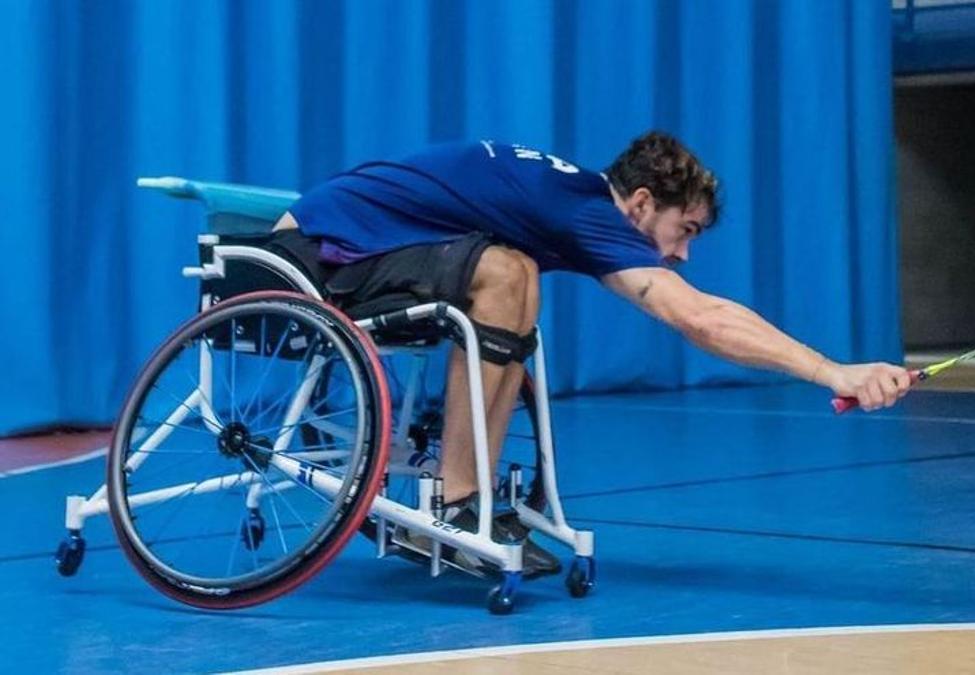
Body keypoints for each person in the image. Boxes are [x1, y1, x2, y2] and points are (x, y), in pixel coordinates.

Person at [272, 131, 911, 578]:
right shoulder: (583, 210)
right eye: (682, 231)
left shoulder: (566, 195)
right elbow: (700, 318)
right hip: (322, 253)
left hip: (359, 240)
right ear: (639, 204)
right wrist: (833, 370)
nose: (681, 254)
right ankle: (455, 501)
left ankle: (469, 498)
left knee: (514, 276)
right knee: (503, 273)